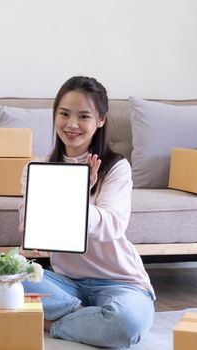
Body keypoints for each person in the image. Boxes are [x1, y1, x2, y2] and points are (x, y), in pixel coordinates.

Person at [18, 76, 155, 348]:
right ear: (54, 114)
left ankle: (54, 323)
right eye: (64, 114)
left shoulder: (116, 167)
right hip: (68, 284)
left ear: (100, 120)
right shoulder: (36, 168)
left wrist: (79, 196)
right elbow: (29, 224)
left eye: (83, 116)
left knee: (127, 323)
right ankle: (86, 317)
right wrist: (30, 242)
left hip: (121, 282)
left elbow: (111, 226)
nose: (72, 125)